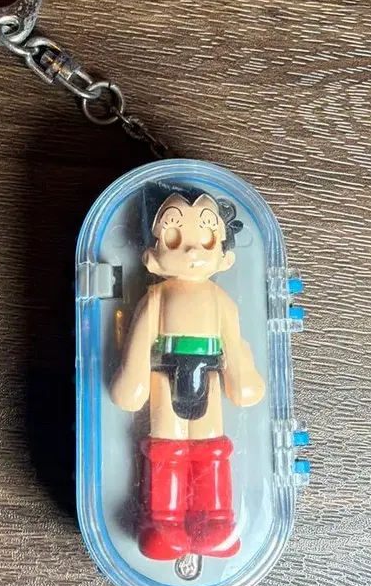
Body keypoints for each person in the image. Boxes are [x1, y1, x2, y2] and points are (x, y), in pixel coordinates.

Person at [110, 187, 265, 560]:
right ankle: (163, 521)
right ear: (151, 255)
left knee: (210, 447)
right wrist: (132, 379)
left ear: (224, 255)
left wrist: (241, 377)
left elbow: (232, 343)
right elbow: (139, 342)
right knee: (167, 447)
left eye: (206, 237)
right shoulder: (157, 298)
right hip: (163, 376)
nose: (192, 249)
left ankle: (215, 518)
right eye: (174, 237)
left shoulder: (221, 301)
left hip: (209, 377)